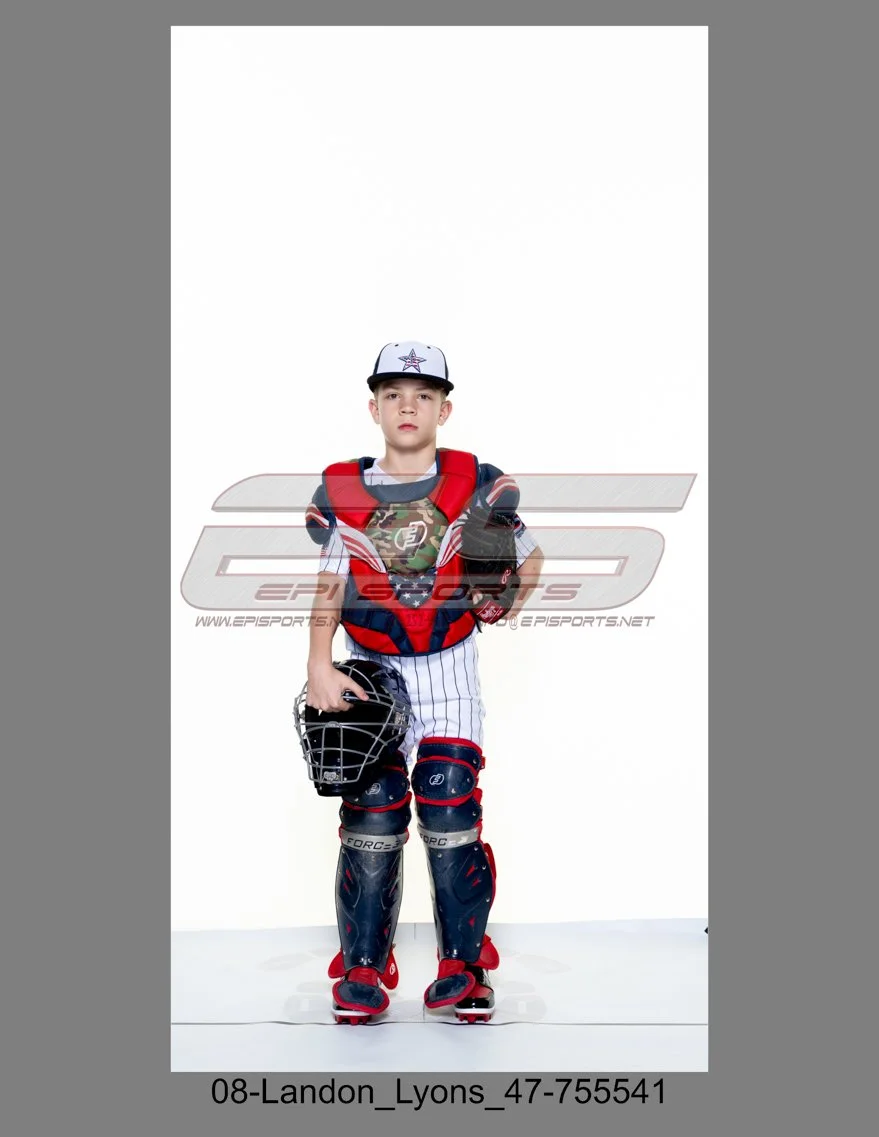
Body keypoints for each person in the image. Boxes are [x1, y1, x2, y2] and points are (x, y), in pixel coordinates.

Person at [303, 340, 544, 1023]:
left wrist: (505, 600)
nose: (407, 406)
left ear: (444, 409)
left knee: (448, 800)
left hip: (448, 667)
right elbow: (330, 583)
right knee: (372, 808)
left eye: (423, 395)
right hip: (371, 667)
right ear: (374, 407)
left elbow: (530, 559)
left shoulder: (476, 483)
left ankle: (463, 967)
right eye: (393, 395)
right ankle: (363, 966)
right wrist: (318, 662)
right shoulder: (343, 490)